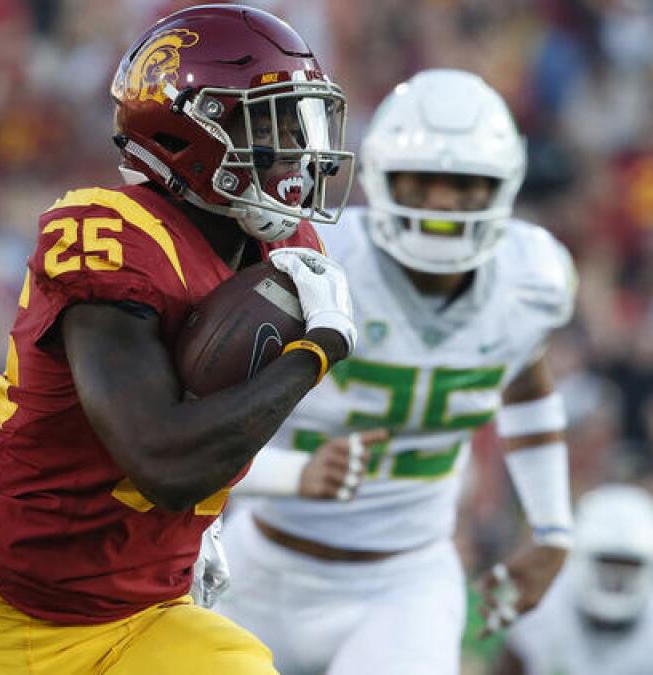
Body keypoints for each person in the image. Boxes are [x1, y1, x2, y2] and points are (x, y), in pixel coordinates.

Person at [0, 5, 357, 673]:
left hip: (146, 615)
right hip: (11, 611)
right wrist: (315, 352)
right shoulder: (109, 233)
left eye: (297, 118)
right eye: (268, 122)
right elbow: (162, 460)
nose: (296, 147)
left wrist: (205, 524)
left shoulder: (286, 246)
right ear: (187, 130)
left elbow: (217, 401)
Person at [211, 69, 578, 675]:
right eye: (423, 180)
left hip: (404, 582)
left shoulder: (528, 280)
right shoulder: (313, 260)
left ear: (504, 186)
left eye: (465, 184)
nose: (441, 203)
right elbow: (197, 424)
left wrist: (552, 531)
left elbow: (528, 389)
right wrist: (292, 472)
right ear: (380, 177)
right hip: (264, 560)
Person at [498, 484, 653, 675]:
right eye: (607, 564)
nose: (617, 581)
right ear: (580, 558)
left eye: (629, 566)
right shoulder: (542, 607)